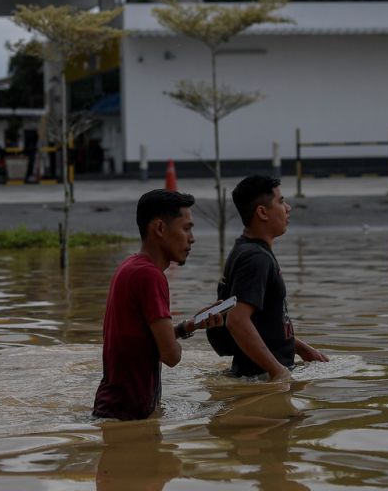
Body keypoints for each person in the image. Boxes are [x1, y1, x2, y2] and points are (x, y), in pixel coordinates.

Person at [93, 189, 224, 421]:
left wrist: (189, 327)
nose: (191, 238)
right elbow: (171, 356)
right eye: (186, 228)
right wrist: (173, 344)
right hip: (128, 417)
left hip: (114, 411)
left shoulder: (130, 266)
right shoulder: (150, 276)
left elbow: (142, 340)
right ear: (160, 229)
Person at [220, 175, 327, 380]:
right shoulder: (256, 259)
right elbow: (237, 320)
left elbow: (265, 322)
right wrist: (278, 371)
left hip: (257, 374)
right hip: (259, 379)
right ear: (262, 212)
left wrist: (302, 348)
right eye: (280, 201)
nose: (288, 208)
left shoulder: (247, 250)